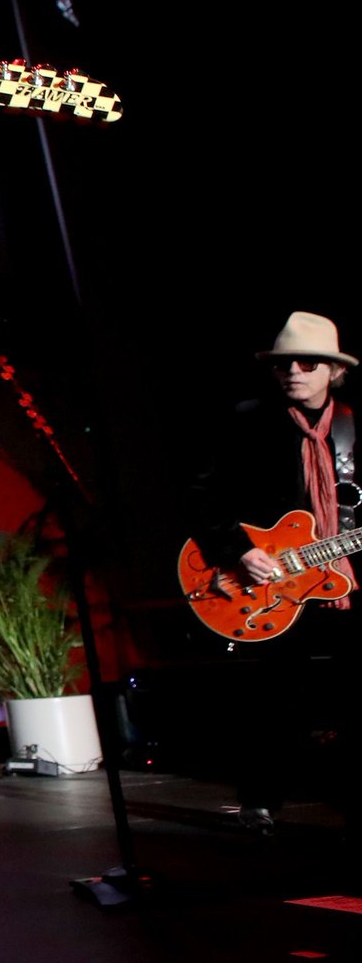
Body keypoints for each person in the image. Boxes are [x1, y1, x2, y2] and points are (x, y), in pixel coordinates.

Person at [189, 311, 356, 835]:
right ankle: (260, 801)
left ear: (333, 370)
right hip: (271, 583)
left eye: (308, 363)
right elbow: (202, 496)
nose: (294, 372)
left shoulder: (352, 428)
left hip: (344, 578)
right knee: (275, 697)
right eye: (285, 364)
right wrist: (238, 551)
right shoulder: (249, 422)